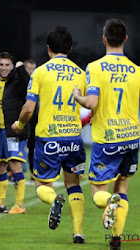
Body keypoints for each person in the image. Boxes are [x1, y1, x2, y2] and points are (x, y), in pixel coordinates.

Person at [12, 26, 86, 244]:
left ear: (48, 49)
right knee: (74, 185)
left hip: (48, 139)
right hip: (73, 137)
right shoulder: (80, 73)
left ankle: (54, 200)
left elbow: (28, 109)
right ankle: (78, 232)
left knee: (42, 186)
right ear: (70, 48)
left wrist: (19, 124)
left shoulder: (40, 72)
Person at [73, 18, 140, 250]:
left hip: (107, 139)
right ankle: (116, 239)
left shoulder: (95, 67)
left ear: (104, 39)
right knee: (122, 188)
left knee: (99, 192)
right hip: (131, 138)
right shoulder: (136, 71)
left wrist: (77, 96)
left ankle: (110, 204)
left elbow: (91, 102)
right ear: (125, 39)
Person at [0, 52, 30, 215]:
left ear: (12, 66)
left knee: (15, 164)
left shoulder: (17, 81)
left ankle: (19, 204)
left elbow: (28, 86)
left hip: (15, 130)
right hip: (0, 131)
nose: (4, 68)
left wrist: (21, 69)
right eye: (1, 65)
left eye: (7, 65)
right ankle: (1, 203)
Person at [23, 59, 38, 180]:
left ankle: (33, 171)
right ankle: (12, 171)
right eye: (29, 68)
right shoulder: (20, 82)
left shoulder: (37, 81)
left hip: (34, 118)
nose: (31, 71)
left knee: (33, 146)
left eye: (33, 69)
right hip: (21, 117)